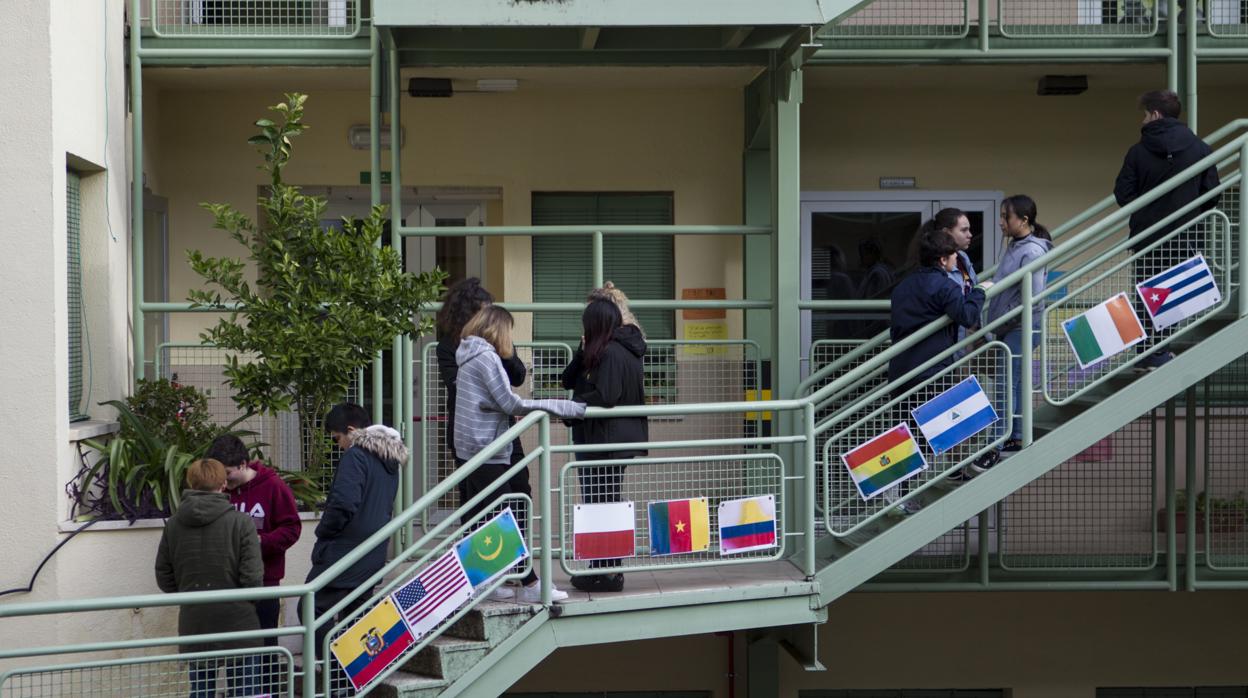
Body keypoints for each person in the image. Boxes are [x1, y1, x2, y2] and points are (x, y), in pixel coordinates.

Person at [455, 305, 586, 603]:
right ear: (499, 330)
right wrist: (566, 407)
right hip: (485, 448)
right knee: (505, 516)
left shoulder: (468, 354)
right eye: (509, 332)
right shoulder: (486, 357)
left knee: (483, 515)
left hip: (472, 447)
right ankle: (529, 583)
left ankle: (482, 581)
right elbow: (511, 403)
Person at [886, 228, 993, 511]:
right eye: (954, 256)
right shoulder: (945, 286)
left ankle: (900, 494)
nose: (957, 261)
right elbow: (967, 316)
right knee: (955, 416)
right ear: (943, 259)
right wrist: (979, 292)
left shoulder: (903, 287)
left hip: (901, 371)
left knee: (908, 435)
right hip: (932, 369)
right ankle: (970, 462)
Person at [1113, 88, 1220, 369]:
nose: (1143, 120)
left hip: (1148, 237)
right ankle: (1161, 350)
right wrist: (1190, 212)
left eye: (1146, 115)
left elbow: (1123, 193)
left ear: (1156, 114)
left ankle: (1145, 352)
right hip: (1185, 234)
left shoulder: (1138, 152)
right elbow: (1212, 193)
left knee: (1146, 291)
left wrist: (1147, 211)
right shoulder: (1200, 149)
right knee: (1173, 293)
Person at [301, 403, 403, 667]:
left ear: (350, 430)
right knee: (356, 616)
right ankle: (352, 675)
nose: (338, 446)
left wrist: (324, 532)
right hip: (372, 551)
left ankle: (335, 671)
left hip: (345, 550)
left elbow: (344, 503)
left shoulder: (356, 456)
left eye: (337, 438)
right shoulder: (388, 458)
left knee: (311, 607)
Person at [155, 458, 264, 698]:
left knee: (201, 691)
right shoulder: (242, 522)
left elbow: (164, 577)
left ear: (190, 483)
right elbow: (253, 579)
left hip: (195, 622)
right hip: (239, 623)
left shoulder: (173, 525)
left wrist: (189, 596)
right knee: (246, 692)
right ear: (223, 484)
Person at [561, 299, 648, 592]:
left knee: (601, 503)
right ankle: (604, 568)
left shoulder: (612, 352)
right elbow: (567, 380)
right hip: (608, 439)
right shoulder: (609, 349)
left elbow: (607, 395)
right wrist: (581, 351)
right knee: (602, 502)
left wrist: (574, 405)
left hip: (606, 440)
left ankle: (607, 571)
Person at [435, 277, 530, 522]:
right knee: (475, 500)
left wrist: (504, 352)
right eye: (483, 311)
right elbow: (458, 386)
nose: (488, 317)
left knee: (520, 488)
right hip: (471, 433)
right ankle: (476, 546)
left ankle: (519, 546)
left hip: (504, 430)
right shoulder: (449, 346)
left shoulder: (497, 340)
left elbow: (519, 376)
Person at [972, 195, 1053, 473]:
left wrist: (1006, 316)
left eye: (1006, 216)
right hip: (1010, 327)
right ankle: (1015, 436)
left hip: (1021, 326)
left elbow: (1034, 297)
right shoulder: (1016, 246)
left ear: (1024, 220)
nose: (1001, 222)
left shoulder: (1032, 251)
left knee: (1005, 385)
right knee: (1012, 383)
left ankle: (996, 445)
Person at [205, 434, 301, 646]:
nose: (223, 481)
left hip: (264, 583)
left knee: (264, 647)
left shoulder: (273, 486)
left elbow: (292, 529)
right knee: (232, 651)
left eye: (227, 473)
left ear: (242, 464)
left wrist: (259, 542)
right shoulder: (216, 490)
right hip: (225, 583)